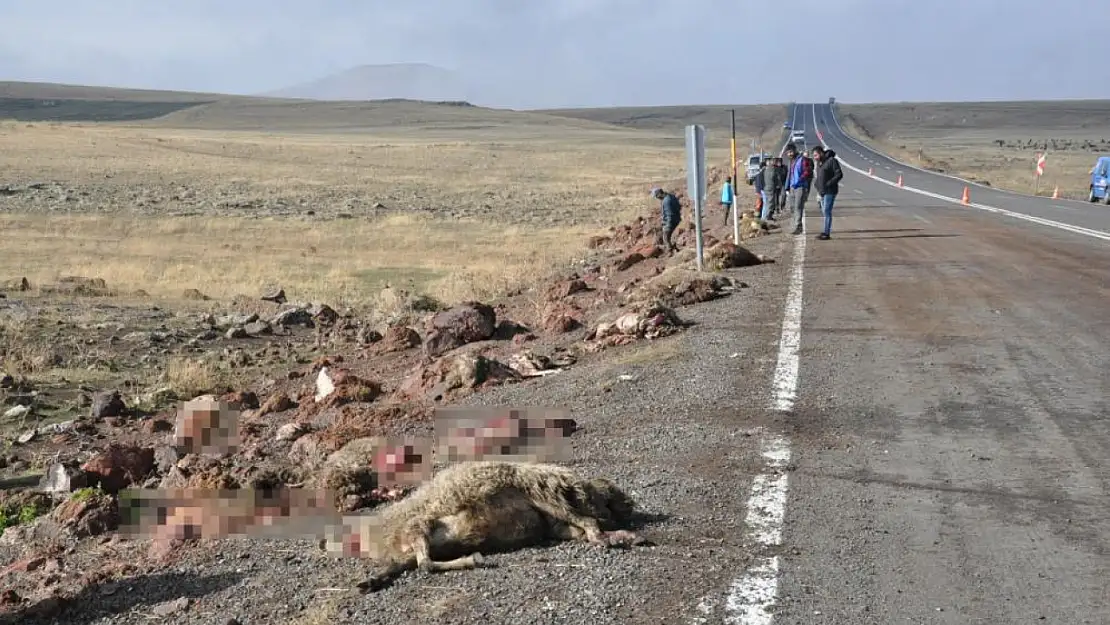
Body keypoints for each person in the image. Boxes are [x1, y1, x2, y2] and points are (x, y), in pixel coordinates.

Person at [811, 145, 843, 240]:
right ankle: (825, 231)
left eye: (816, 155)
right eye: (814, 156)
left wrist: (829, 183)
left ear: (821, 153)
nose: (815, 157)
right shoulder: (819, 163)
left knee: (826, 211)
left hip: (830, 191)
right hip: (821, 191)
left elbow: (839, 174)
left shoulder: (831, 161)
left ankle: (826, 233)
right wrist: (817, 186)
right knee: (824, 211)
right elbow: (819, 177)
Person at [784, 143, 814, 235]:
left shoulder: (802, 160)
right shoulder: (790, 162)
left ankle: (798, 226)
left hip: (800, 186)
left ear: (795, 151)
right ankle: (796, 224)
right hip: (792, 187)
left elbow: (807, 171)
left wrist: (801, 179)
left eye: (791, 152)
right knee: (792, 207)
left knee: (798, 206)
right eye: (788, 152)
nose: (789, 154)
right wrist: (787, 186)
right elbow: (789, 174)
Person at [651, 187, 681, 254]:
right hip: (677, 218)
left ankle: (670, 252)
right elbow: (679, 206)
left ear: (659, 194)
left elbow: (669, 214)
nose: (657, 198)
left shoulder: (666, 201)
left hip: (671, 221)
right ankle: (675, 248)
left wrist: (668, 225)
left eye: (656, 196)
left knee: (665, 237)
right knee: (669, 236)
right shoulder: (671, 196)